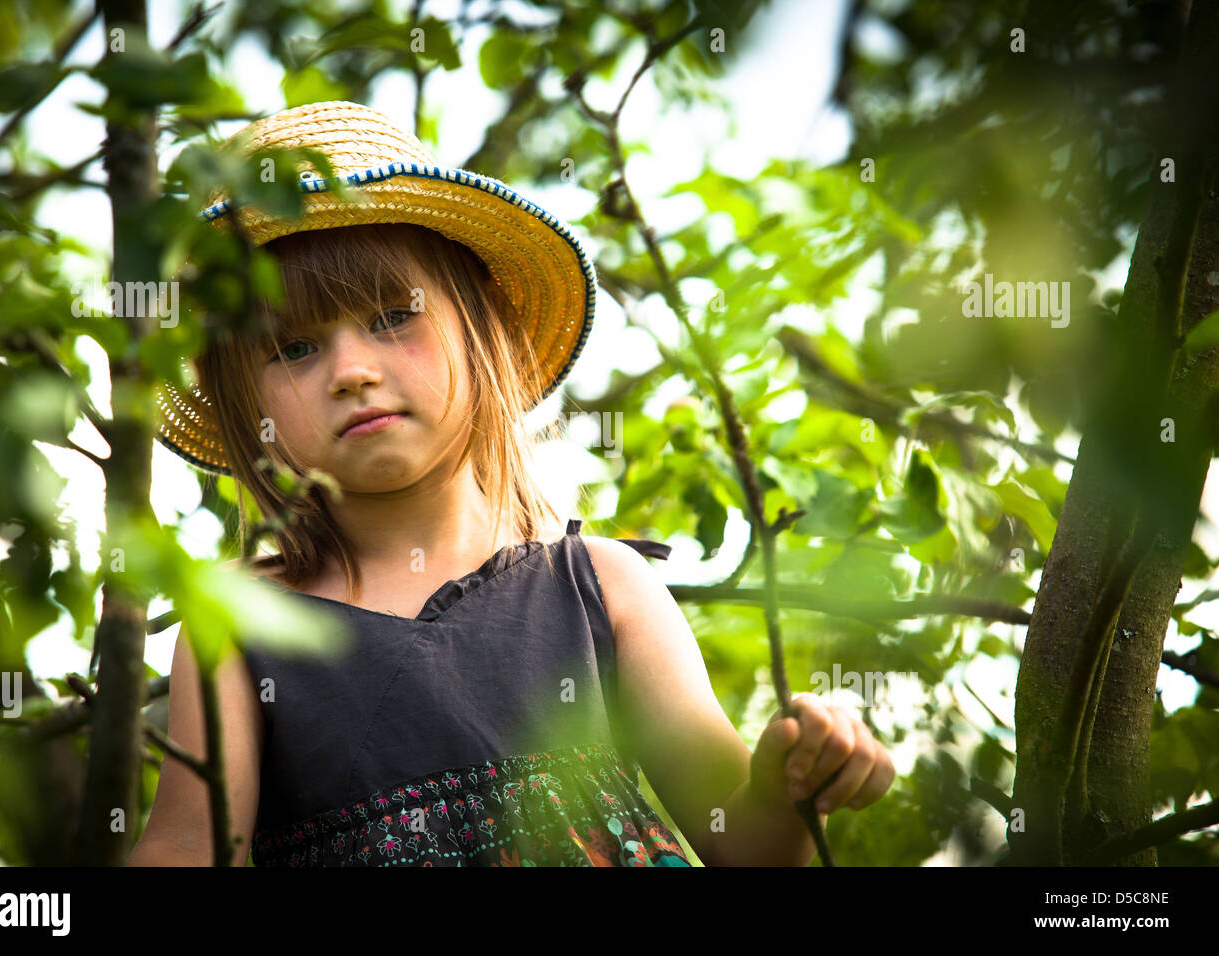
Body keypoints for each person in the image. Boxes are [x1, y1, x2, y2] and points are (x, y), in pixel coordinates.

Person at [128, 101, 894, 868]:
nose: (352, 372)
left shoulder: (602, 586)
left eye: (394, 316)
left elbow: (746, 845)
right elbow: (186, 850)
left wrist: (790, 779)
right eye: (294, 348)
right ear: (241, 398)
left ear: (484, 325)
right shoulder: (238, 626)